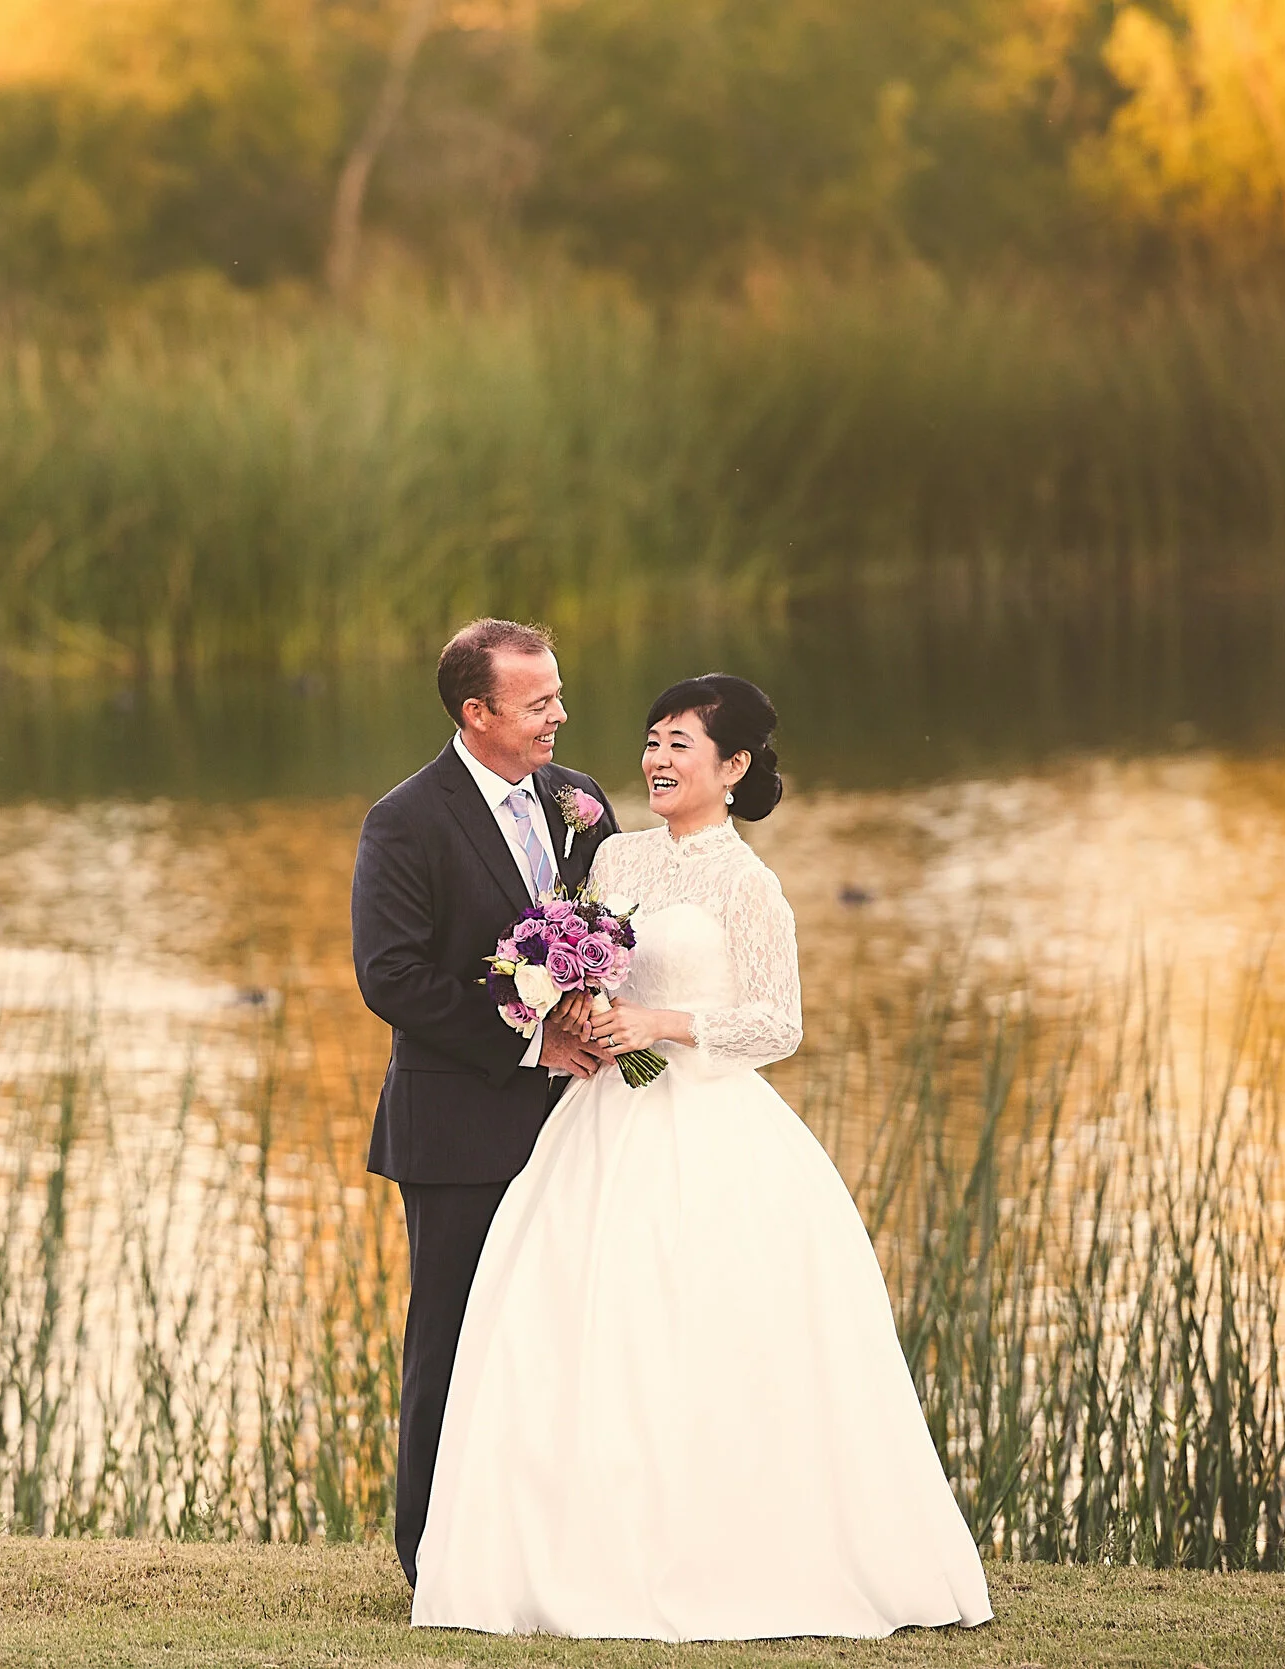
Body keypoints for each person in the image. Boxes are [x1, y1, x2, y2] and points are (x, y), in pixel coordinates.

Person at [409, 673, 995, 1640]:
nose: (656, 759)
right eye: (652, 740)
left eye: (680, 744)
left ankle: (732, 1554)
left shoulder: (749, 884)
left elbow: (778, 1023)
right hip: (601, 1117)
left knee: (708, 1330)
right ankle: (573, 1553)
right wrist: (579, 1006)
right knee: (577, 1328)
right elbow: (589, 963)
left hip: (708, 1126)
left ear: (733, 767)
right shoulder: (614, 857)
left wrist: (663, 1022)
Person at [350, 617, 621, 1587]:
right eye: (537, 702)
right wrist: (530, 1036)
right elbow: (390, 977)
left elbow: (612, 933)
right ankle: (432, 1556)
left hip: (582, 1122)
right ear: (476, 712)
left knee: (567, 1333)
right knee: (453, 1339)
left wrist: (602, 1010)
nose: (559, 715)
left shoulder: (580, 801)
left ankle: (550, 1545)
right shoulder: (405, 820)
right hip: (458, 1129)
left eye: (558, 695)